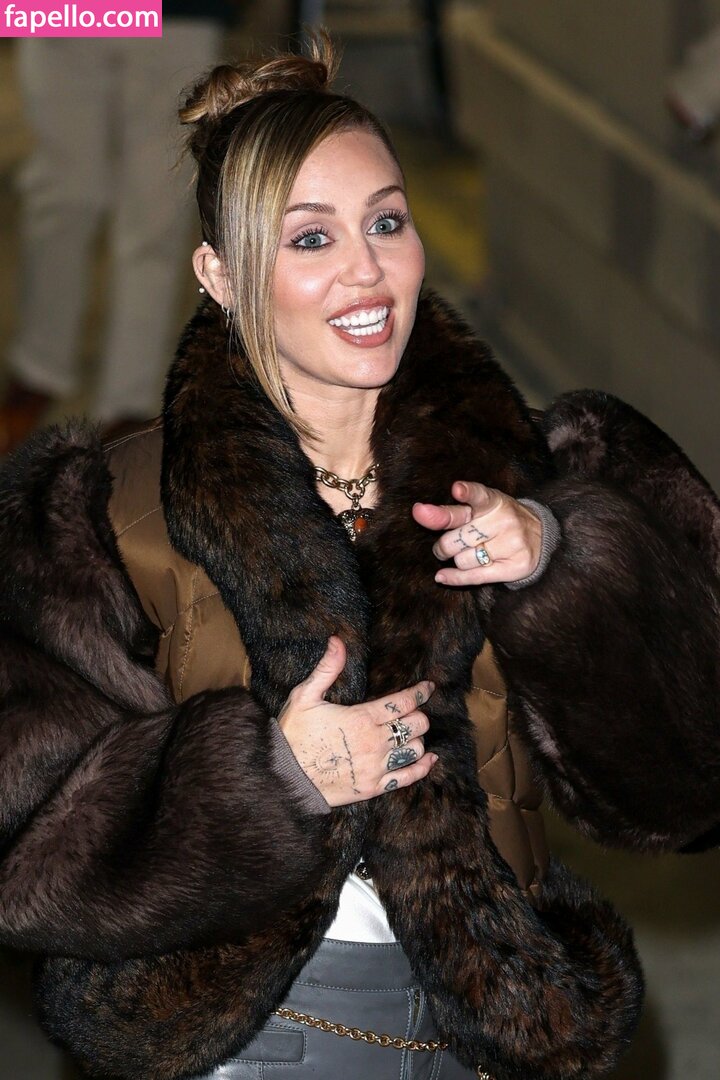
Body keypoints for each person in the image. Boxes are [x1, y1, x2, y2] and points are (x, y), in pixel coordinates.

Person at [0, 35, 719, 1080]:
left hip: (490, 1032)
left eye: (387, 221)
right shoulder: (106, 518)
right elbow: (25, 856)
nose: (367, 270)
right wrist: (265, 778)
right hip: (256, 1040)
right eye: (310, 238)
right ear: (219, 274)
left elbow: (687, 784)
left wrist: (563, 567)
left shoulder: (544, 473)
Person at [0, 2, 230, 455]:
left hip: (175, 11)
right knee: (60, 199)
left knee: (155, 216)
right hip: (57, 9)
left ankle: (129, 405)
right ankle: (38, 370)